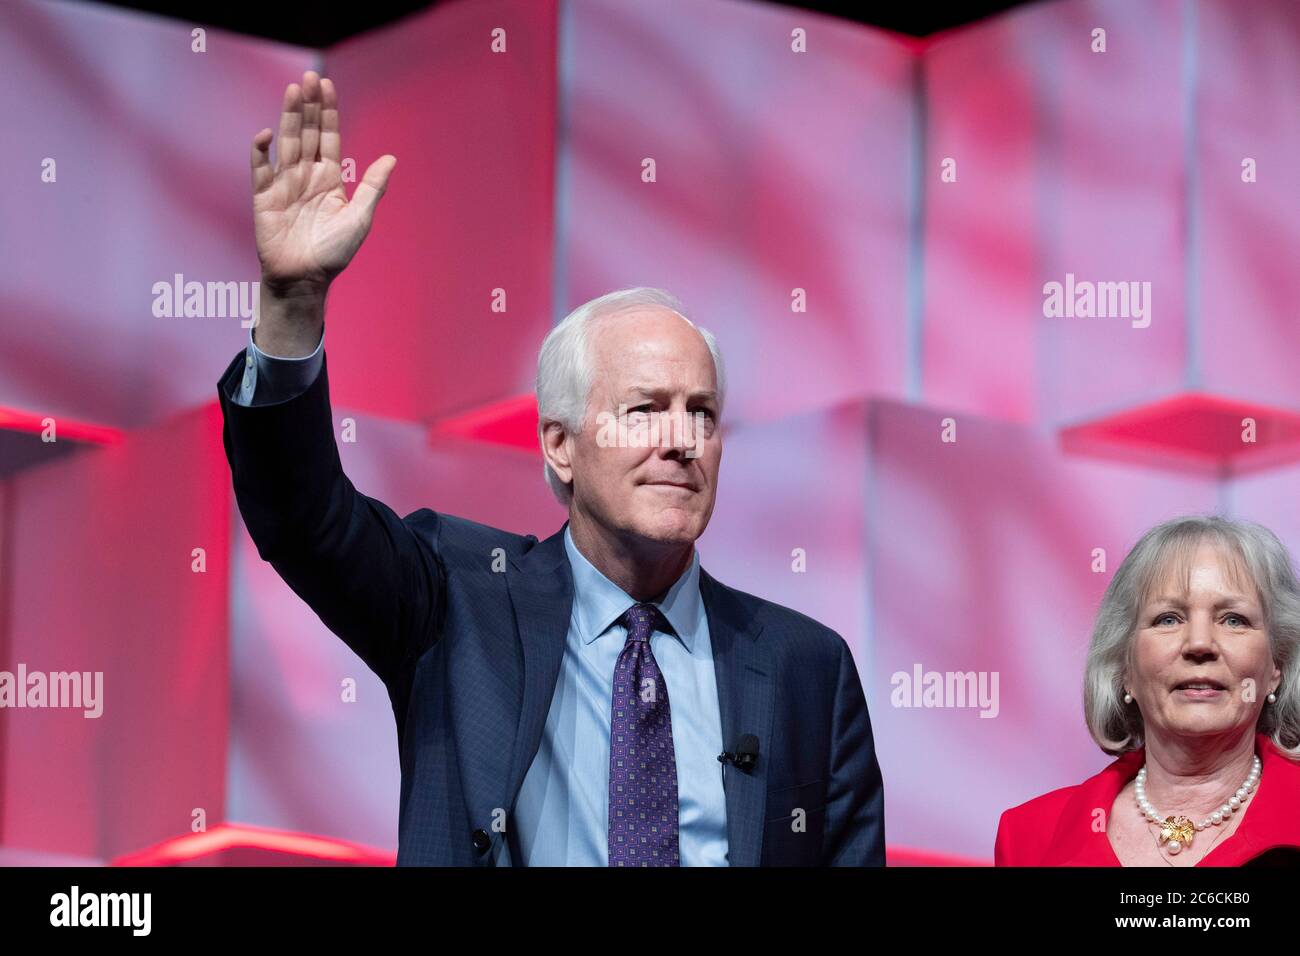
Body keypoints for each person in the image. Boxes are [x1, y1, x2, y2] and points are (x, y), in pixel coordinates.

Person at [217, 70, 885, 866]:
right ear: (560, 445)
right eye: (644, 409)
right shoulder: (456, 604)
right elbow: (303, 519)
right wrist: (291, 306)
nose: (682, 439)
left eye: (702, 413)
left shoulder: (808, 667)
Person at [996, 515, 1300, 866]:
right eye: (1168, 619)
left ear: (1276, 666)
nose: (1200, 644)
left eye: (1234, 619)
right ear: (1125, 668)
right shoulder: (1028, 837)